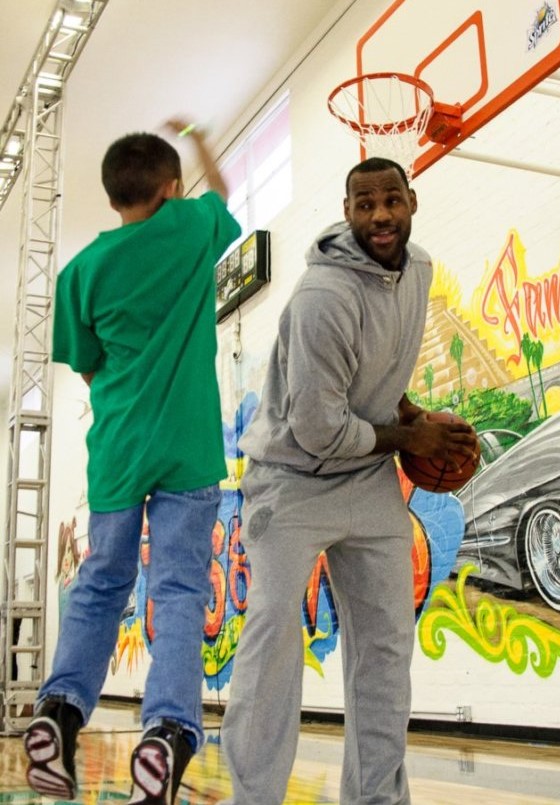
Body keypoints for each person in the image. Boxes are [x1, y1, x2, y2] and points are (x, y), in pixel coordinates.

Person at [220, 157, 476, 805]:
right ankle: (255, 797)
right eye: (366, 204)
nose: (381, 215)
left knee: (387, 645)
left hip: (365, 478)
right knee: (274, 633)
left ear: (412, 201)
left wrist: (414, 415)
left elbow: (374, 375)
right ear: (348, 211)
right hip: (291, 479)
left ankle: (376, 799)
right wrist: (410, 439)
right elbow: (318, 428)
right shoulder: (321, 298)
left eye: (392, 199)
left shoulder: (418, 271)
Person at [23, 120, 241, 805]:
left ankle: (58, 712)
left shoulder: (78, 273)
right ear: (172, 189)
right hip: (188, 447)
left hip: (117, 451)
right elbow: (226, 189)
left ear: (113, 192)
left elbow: (88, 369)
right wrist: (201, 138)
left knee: (100, 582)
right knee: (179, 589)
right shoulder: (190, 228)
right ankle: (168, 731)